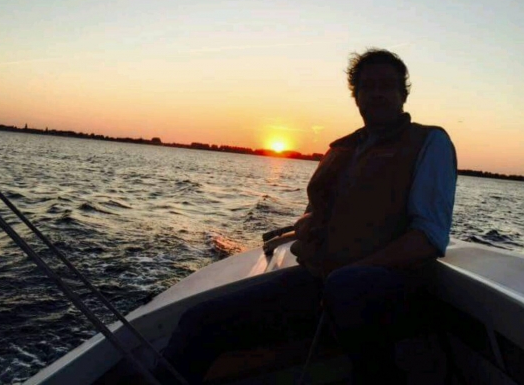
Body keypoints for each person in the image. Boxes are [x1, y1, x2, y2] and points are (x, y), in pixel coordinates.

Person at [156, 49, 457, 384]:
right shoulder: (342, 150)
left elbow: (428, 238)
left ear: (403, 94)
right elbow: (315, 213)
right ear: (355, 95)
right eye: (367, 86)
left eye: (387, 86)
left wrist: (352, 272)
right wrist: (307, 227)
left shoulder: (429, 143)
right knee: (198, 321)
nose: (377, 93)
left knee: (348, 287)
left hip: (388, 290)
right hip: (319, 282)